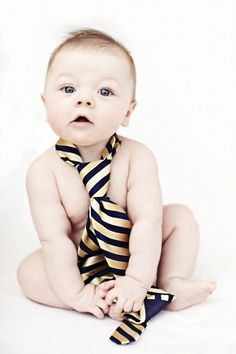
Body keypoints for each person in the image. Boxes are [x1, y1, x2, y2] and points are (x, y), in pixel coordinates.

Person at [17, 28, 216, 321]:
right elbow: (56, 241)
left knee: (180, 218)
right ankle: (100, 300)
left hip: (141, 257)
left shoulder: (138, 157)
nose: (84, 100)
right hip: (83, 266)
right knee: (29, 272)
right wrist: (76, 294)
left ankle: (170, 283)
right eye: (69, 89)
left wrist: (136, 280)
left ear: (128, 111)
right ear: (45, 104)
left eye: (105, 91)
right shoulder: (43, 172)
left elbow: (148, 222)